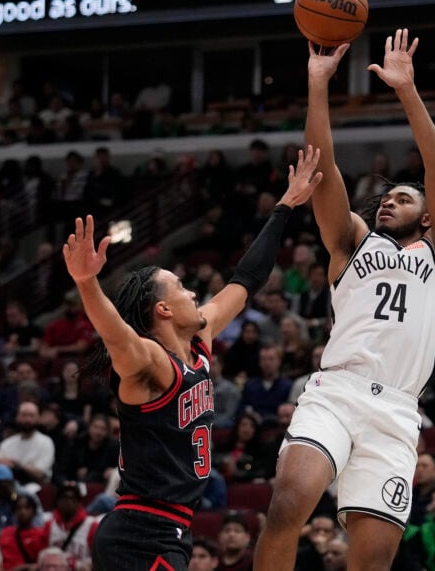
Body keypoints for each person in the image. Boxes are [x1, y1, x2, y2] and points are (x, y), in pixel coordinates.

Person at [254, 30, 435, 571]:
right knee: (287, 505)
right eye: (386, 197)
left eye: (404, 197)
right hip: (337, 392)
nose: (389, 201)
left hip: (397, 411)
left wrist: (406, 90)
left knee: (372, 564)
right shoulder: (351, 242)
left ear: (426, 217)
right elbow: (320, 165)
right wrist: (318, 84)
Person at [64, 147, 321, 570]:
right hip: (140, 533)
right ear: (162, 310)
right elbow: (116, 336)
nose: (194, 293)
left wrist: (284, 207)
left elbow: (248, 278)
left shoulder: (200, 341)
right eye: (181, 287)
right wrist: (87, 284)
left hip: (173, 529)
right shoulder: (150, 363)